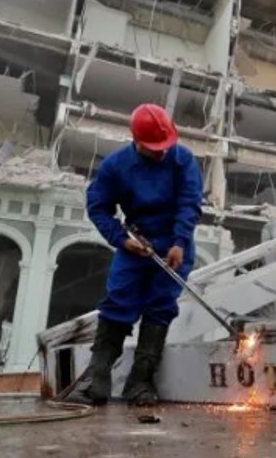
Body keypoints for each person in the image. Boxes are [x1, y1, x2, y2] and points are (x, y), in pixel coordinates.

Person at [66, 103, 203, 406]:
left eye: (166, 145)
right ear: (137, 141)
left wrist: (180, 240)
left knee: (160, 307)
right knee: (118, 301)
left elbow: (189, 203)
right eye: (155, 148)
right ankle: (96, 379)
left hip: (174, 246)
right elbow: (98, 206)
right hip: (136, 243)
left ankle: (140, 382)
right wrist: (120, 239)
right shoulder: (116, 167)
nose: (162, 152)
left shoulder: (183, 160)